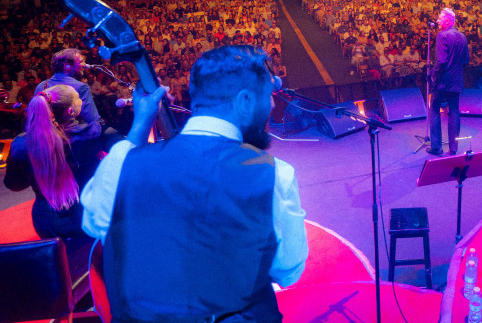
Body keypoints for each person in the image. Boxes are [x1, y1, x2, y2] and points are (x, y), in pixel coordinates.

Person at [81, 45, 308, 322]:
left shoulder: (122, 163)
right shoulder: (274, 175)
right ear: (246, 100)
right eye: (268, 96)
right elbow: (288, 270)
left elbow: (93, 224)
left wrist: (141, 122)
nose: (272, 105)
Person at [4, 84, 115, 238]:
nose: (82, 100)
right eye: (78, 97)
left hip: (46, 220)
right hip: (88, 215)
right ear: (71, 110)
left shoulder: (22, 142)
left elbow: (15, 185)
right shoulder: (94, 133)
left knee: (59, 261)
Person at [427, 8, 469, 156]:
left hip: (442, 81)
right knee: (454, 111)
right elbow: (466, 60)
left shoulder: (442, 36)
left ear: (447, 21)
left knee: (434, 109)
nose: (437, 21)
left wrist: (433, 76)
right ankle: (453, 148)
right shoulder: (463, 37)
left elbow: (442, 60)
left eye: (439, 18)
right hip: (456, 80)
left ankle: (437, 147)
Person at [35, 48, 103, 133]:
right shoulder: (81, 87)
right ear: (67, 66)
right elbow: (91, 119)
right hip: (70, 138)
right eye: (81, 62)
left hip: (46, 136)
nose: (84, 65)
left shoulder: (41, 86)